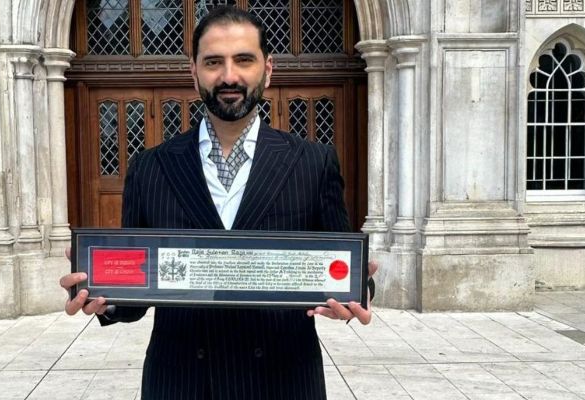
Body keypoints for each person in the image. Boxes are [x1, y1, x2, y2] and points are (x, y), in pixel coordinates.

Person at [60, 6, 376, 399]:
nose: (229, 76)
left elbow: (341, 263)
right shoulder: (149, 167)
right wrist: (100, 296)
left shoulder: (313, 162)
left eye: (244, 60)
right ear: (194, 73)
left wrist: (361, 289)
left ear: (268, 69)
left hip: (282, 381)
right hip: (181, 383)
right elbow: (136, 294)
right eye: (213, 62)